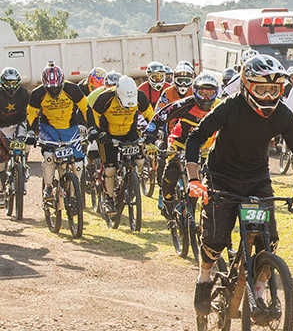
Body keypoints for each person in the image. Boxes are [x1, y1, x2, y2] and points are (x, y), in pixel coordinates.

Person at [185, 56, 293, 316]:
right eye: (261, 89)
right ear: (246, 85)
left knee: (269, 242)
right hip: (221, 177)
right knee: (216, 240)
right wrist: (194, 179)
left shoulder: (282, 113)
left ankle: (259, 291)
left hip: (257, 180)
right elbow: (196, 137)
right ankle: (204, 277)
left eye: (274, 90)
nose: (268, 96)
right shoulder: (230, 107)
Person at [147, 73, 220, 218]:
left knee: (210, 179)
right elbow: (160, 116)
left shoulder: (219, 106)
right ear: (195, 92)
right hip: (179, 143)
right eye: (202, 93)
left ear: (216, 93)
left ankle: (197, 208)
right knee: (171, 170)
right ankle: (167, 202)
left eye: (210, 93)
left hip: (206, 147)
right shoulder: (184, 104)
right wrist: (149, 136)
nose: (206, 98)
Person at [87, 75, 155, 211]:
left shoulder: (140, 97)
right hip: (108, 134)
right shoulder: (105, 98)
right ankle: (109, 198)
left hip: (130, 132)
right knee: (110, 169)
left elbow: (151, 116)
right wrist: (95, 130)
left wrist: (153, 131)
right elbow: (92, 114)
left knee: (140, 160)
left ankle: (133, 179)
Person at [27, 63, 89, 198]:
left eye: (57, 87)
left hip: (70, 128)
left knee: (78, 161)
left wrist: (91, 127)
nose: (54, 91)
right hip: (48, 129)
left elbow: (86, 108)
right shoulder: (37, 93)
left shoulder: (73, 89)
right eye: (50, 88)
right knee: (49, 157)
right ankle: (48, 187)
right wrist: (30, 132)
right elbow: (31, 115)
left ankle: (75, 190)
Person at [0, 67, 31, 192]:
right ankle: (2, 185)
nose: (11, 86)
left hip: (19, 124)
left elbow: (31, 112)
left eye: (14, 82)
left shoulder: (24, 93)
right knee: (1, 160)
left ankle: (24, 164)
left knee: (27, 143)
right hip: (2, 127)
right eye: (8, 83)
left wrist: (32, 129)